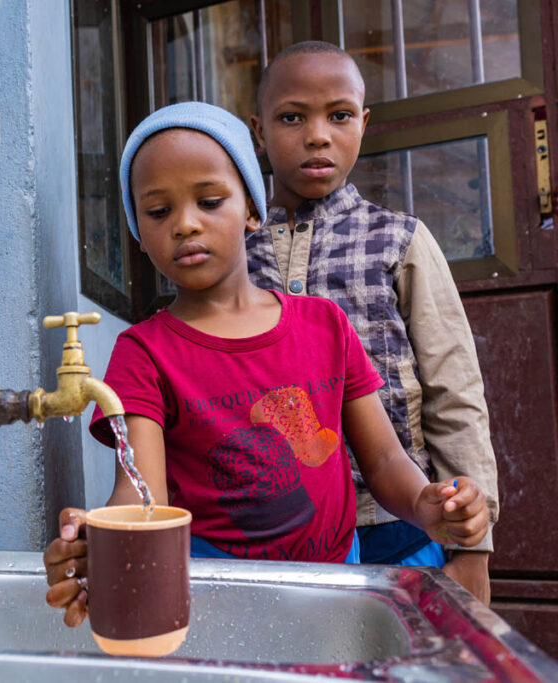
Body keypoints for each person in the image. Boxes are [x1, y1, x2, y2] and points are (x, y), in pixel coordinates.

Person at [43, 101, 489, 628]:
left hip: (336, 588)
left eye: (209, 201)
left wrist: (426, 504)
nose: (185, 224)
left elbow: (385, 463)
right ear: (138, 232)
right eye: (158, 212)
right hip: (218, 601)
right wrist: (107, 537)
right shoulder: (144, 353)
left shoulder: (325, 326)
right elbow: (142, 492)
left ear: (253, 209)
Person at [246, 41, 499, 604]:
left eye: (338, 116)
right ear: (258, 130)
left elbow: (454, 391)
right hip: (271, 527)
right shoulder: (233, 247)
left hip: (398, 522)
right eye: (293, 117)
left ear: (362, 123)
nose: (317, 135)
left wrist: (474, 546)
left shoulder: (399, 240)